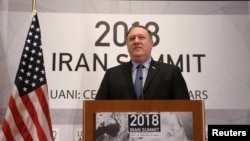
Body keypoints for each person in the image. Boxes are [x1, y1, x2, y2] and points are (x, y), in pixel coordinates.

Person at [95, 25, 190, 100]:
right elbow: (97, 109)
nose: (136, 41)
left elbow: (185, 109)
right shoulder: (112, 74)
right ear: (127, 46)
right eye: (132, 39)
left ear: (151, 44)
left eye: (141, 37)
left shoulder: (171, 72)